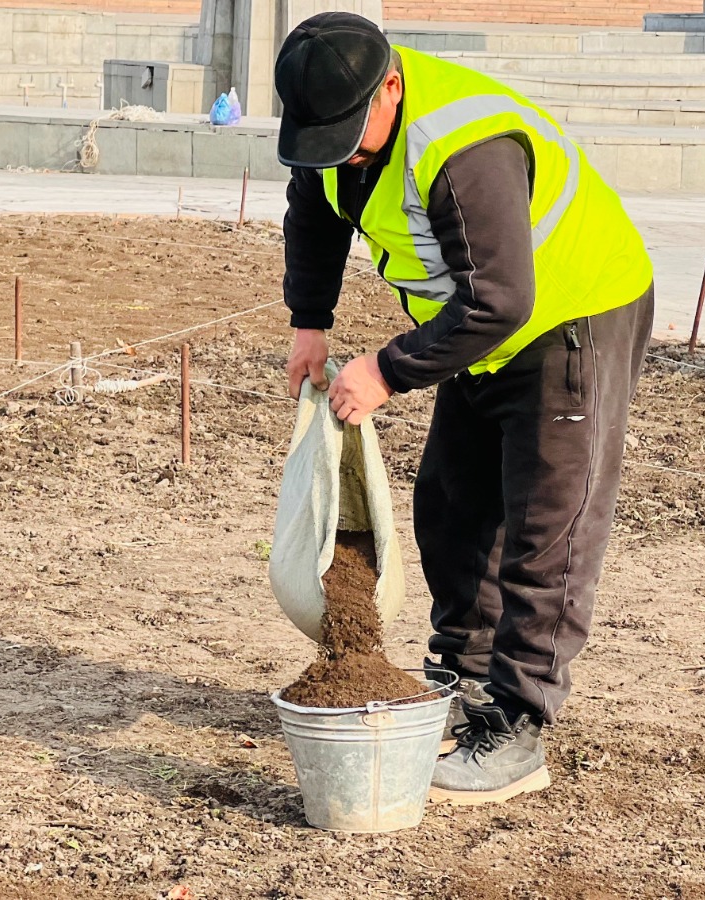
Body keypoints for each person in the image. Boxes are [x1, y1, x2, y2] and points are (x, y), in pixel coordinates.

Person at [274, 12, 656, 805]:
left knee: (549, 528)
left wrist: (387, 370)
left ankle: (516, 726)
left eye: (348, 136)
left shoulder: (461, 147)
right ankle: (464, 677)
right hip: (478, 324)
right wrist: (310, 321)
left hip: (569, 315)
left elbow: (502, 300)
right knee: (453, 504)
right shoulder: (339, 128)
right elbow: (314, 207)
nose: (339, 153)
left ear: (390, 87)